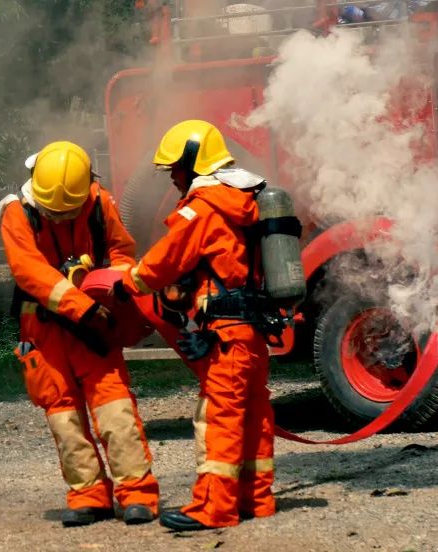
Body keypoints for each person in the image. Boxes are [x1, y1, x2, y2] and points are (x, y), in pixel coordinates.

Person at [114, 120, 275, 531]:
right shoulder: (246, 199)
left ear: (192, 162)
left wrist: (126, 280)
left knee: (220, 416)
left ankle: (215, 508)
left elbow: (162, 264)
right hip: (252, 331)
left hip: (224, 332)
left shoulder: (202, 209)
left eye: (175, 169)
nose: (172, 176)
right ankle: (257, 499)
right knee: (254, 412)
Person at [0, 140, 160, 527]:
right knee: (63, 415)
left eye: (67, 211)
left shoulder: (99, 205)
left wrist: (112, 287)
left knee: (115, 409)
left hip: (95, 322)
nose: (59, 218)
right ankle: (88, 494)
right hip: (46, 328)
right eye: (53, 212)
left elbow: (123, 251)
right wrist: (80, 305)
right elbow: (30, 273)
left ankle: (137, 495)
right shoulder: (17, 214)